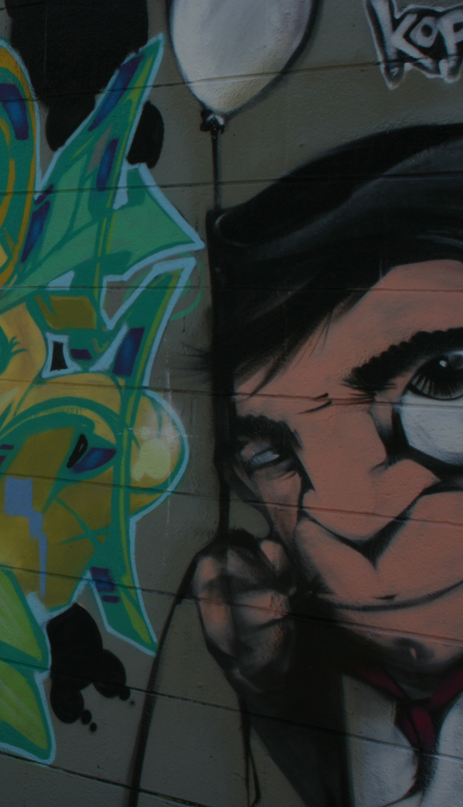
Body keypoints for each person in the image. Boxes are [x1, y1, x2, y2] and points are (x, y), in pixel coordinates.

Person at [197, 124, 463, 807]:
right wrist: (269, 683)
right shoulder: (350, 692)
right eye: (275, 454)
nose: (349, 519)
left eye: (442, 377)